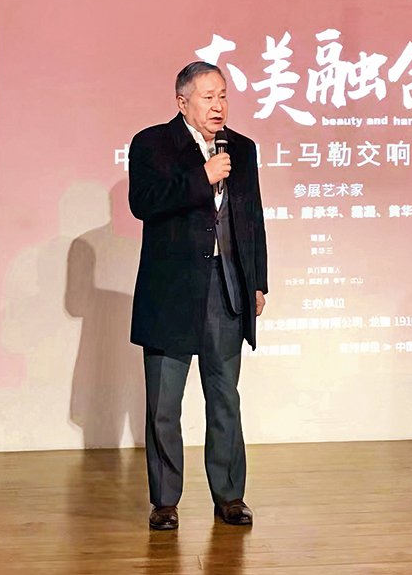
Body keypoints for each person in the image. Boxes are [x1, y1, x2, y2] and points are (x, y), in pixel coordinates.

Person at [128, 61, 268, 530]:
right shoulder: (152, 144)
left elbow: (252, 218)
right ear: (182, 102)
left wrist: (257, 281)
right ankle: (165, 501)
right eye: (208, 97)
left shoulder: (242, 149)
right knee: (164, 404)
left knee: (225, 396)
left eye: (223, 95)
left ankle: (230, 496)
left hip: (226, 287)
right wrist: (201, 176)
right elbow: (143, 203)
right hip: (171, 292)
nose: (218, 105)